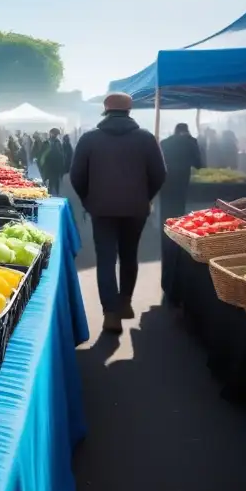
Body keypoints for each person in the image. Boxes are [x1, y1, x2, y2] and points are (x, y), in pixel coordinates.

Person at [70, 92, 166, 333]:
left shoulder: (89, 139)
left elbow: (76, 176)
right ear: (129, 110)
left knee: (105, 258)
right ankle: (125, 303)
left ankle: (110, 313)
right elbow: (160, 174)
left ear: (105, 109)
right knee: (129, 255)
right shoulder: (146, 138)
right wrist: (145, 197)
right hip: (136, 209)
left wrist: (87, 199)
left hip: (101, 209)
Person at [159, 123, 203, 221]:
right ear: (187, 130)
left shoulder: (164, 142)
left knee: (165, 207)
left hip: (166, 178)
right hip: (182, 178)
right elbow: (198, 163)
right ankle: (177, 229)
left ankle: (164, 232)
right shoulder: (191, 141)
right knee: (179, 205)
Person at [39, 128, 67, 196]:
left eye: (56, 134)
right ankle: (48, 193)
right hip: (47, 165)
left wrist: (62, 167)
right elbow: (41, 154)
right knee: (47, 180)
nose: (55, 135)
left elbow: (61, 155)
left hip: (55, 166)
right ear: (50, 133)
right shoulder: (45, 143)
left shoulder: (58, 143)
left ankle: (56, 193)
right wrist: (41, 165)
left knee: (56, 181)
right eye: (54, 133)